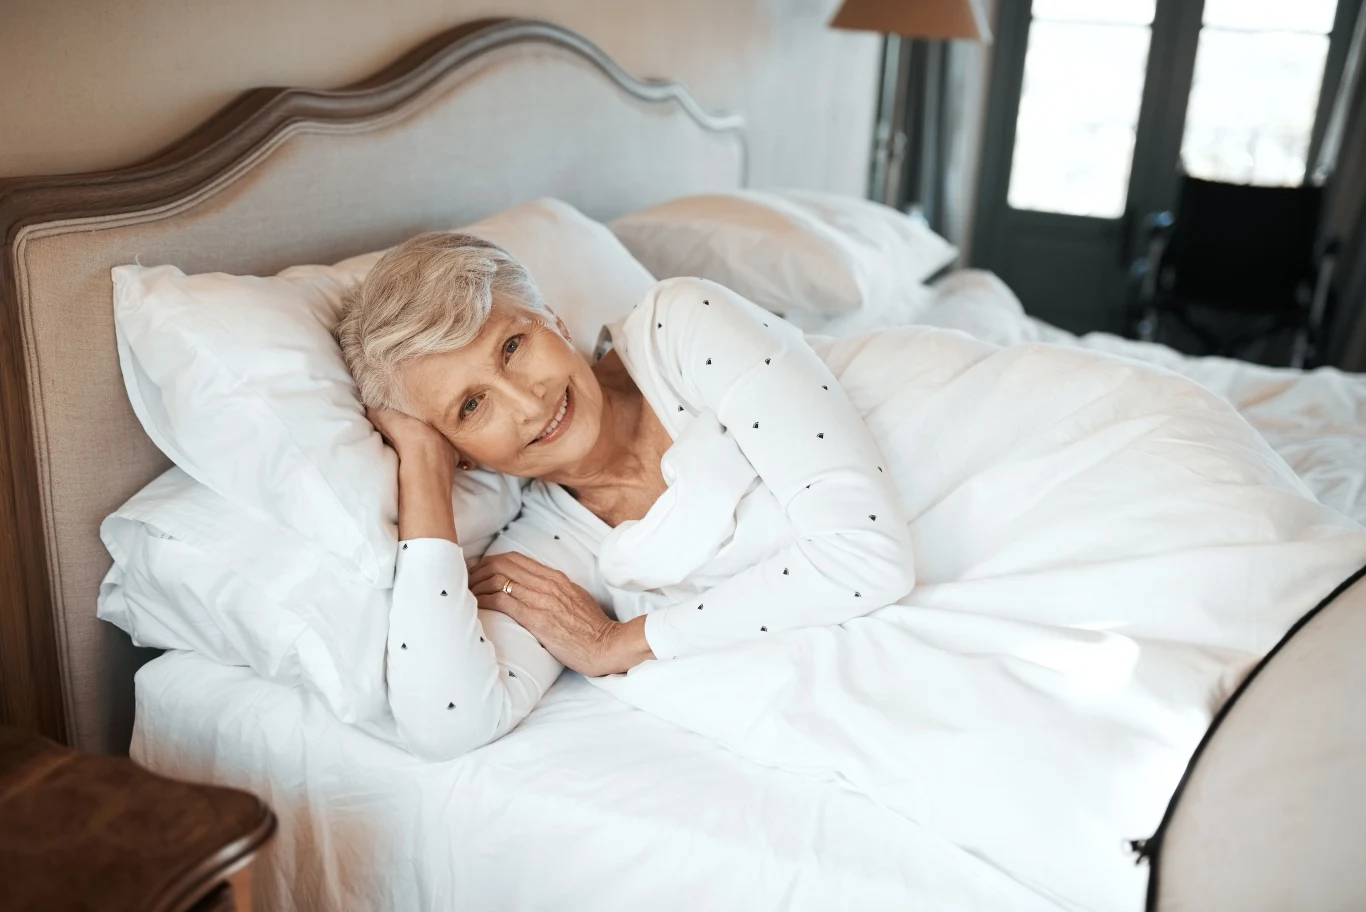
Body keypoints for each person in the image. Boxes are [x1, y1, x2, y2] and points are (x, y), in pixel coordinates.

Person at [337, 233, 914, 761]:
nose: (528, 402)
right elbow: (447, 724)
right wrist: (423, 472)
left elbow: (868, 555)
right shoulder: (547, 546)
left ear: (555, 322)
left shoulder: (684, 328)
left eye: (512, 346)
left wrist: (619, 642)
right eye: (471, 406)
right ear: (458, 451)